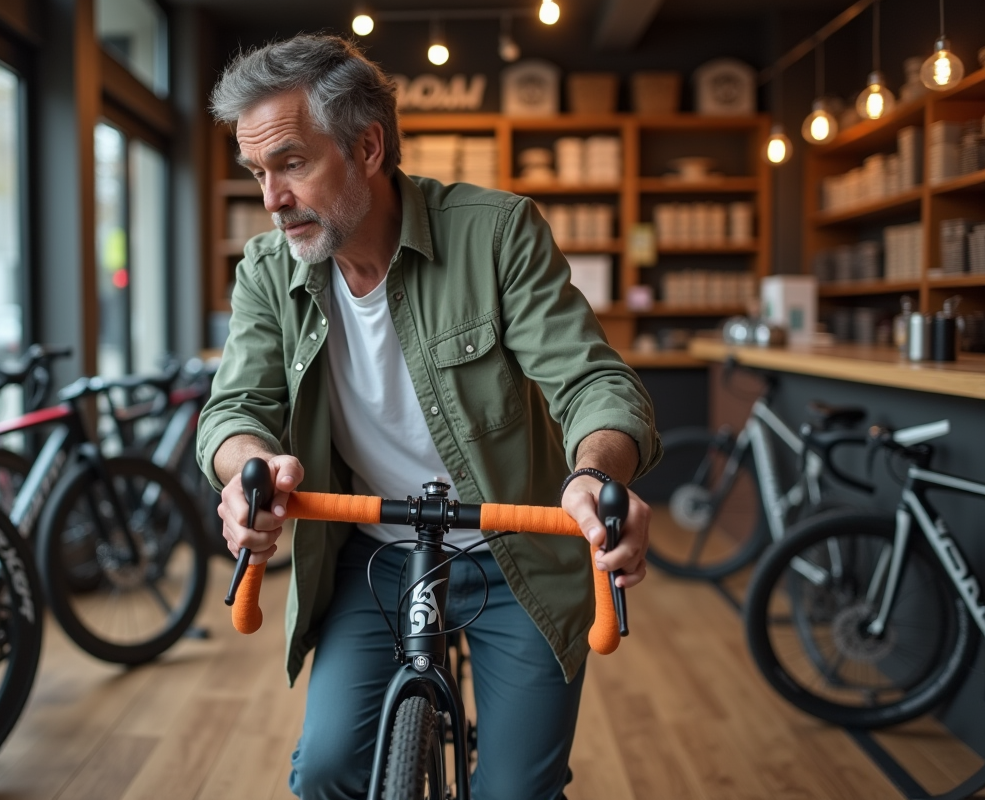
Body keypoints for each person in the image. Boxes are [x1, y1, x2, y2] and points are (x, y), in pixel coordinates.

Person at [199, 34, 661, 800]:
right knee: (326, 772)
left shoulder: (497, 233)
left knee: (514, 791)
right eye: (258, 173)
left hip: (517, 552)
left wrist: (592, 475)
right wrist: (250, 467)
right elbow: (236, 408)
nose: (272, 199)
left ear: (368, 146)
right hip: (373, 548)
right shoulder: (266, 269)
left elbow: (593, 382)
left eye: (291, 163)